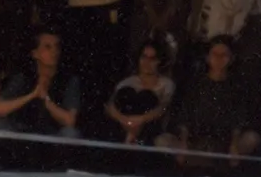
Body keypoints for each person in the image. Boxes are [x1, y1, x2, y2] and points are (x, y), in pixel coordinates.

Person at [158, 34, 259, 167]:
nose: (219, 58)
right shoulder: (195, 83)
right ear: (207, 57)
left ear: (231, 59)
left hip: (224, 144)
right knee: (162, 141)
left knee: (252, 138)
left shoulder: (237, 86)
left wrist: (234, 145)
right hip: (195, 142)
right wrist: (183, 142)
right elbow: (184, 117)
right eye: (215, 54)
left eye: (224, 55)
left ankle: (219, 164)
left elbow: (238, 119)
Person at [0, 29, 80, 139]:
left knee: (70, 133)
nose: (54, 51)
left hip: (52, 138)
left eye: (57, 47)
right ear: (35, 53)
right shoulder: (24, 77)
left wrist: (46, 99)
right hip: (22, 135)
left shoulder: (69, 80)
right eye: (48, 47)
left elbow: (70, 121)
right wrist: (32, 95)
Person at [104, 39, 175, 146]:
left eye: (152, 59)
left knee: (148, 97)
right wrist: (125, 121)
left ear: (159, 61)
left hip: (150, 128)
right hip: (123, 126)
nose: (147, 62)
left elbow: (164, 106)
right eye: (144, 57)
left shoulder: (166, 84)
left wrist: (141, 120)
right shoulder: (127, 83)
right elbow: (110, 105)